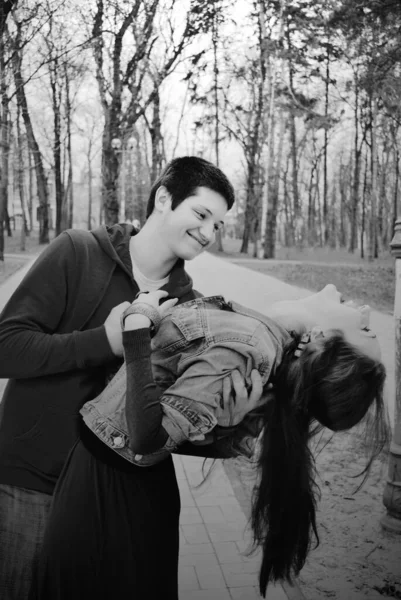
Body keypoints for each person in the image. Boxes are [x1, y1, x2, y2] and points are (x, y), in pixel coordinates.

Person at [0, 156, 262, 600]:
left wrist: (230, 426)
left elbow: (162, 428)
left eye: (217, 225)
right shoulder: (77, 252)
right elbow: (7, 348)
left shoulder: (192, 310)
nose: (208, 233)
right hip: (33, 482)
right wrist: (103, 341)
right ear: (163, 198)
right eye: (201, 214)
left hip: (119, 497)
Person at [30, 284, 389, 599]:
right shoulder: (259, 339)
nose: (364, 309)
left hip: (111, 490)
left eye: (366, 328)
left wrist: (138, 325)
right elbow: (163, 416)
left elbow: (146, 438)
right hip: (114, 481)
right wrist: (222, 432)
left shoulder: (250, 347)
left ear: (323, 338)